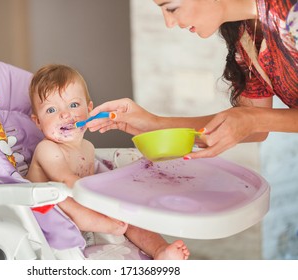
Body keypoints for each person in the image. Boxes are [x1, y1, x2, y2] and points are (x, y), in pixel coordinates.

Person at [87, 0, 298, 160]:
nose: (169, 23)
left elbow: (254, 121)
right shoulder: (246, 37)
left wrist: (253, 120)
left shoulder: (290, 13)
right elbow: (253, 126)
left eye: (171, 8)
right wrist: (154, 124)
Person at [26, 63, 190, 260]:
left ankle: (161, 250)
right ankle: (109, 226)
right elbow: (65, 181)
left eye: (74, 105)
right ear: (37, 121)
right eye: (51, 110)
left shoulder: (88, 148)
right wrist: (105, 215)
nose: (65, 114)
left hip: (85, 206)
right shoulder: (48, 149)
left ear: (89, 110)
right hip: (48, 212)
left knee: (131, 215)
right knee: (64, 201)